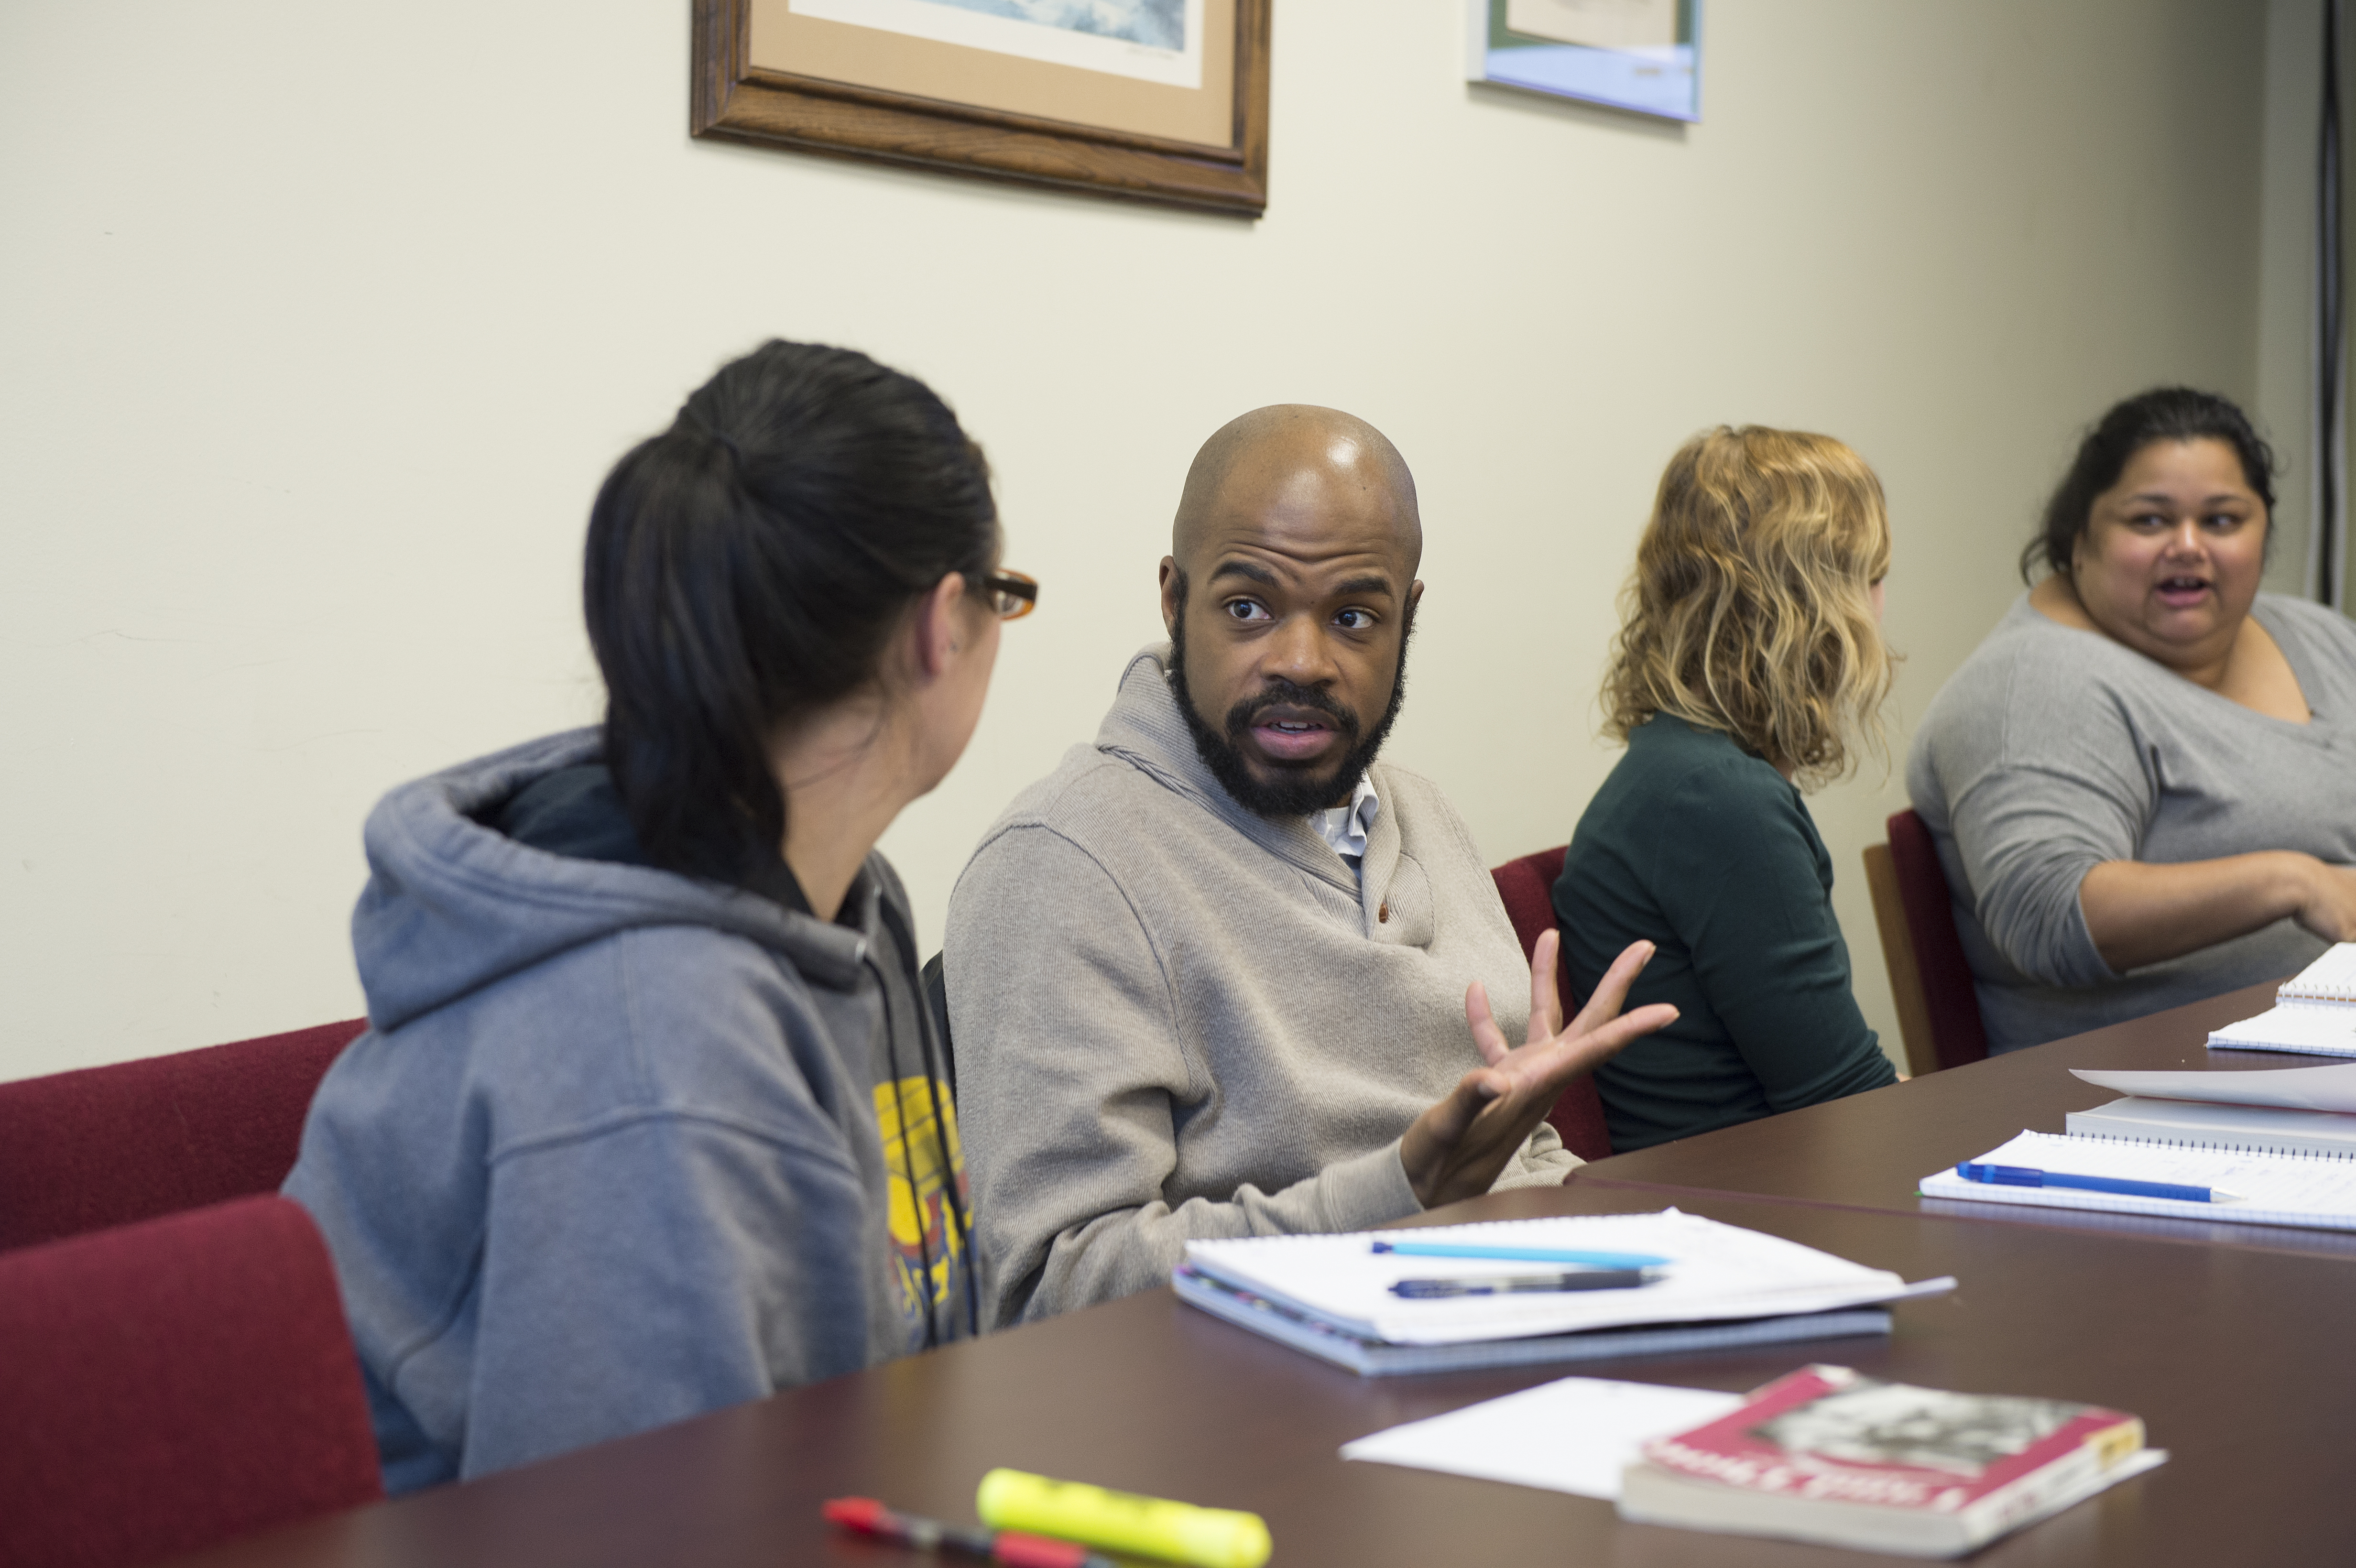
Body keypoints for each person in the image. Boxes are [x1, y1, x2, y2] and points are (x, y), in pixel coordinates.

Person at [283, 340, 1032, 1492]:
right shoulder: (648, 1043)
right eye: (1005, 598)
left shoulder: (843, 906)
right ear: (942, 624)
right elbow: (637, 1531)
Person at [942, 404, 1676, 1328]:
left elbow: (1519, 1168)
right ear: (1174, 600)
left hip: (1503, 1346)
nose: (1302, 660)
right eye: (1247, 608)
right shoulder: (1064, 867)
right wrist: (1398, 1192)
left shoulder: (1423, 815)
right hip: (1258, 1428)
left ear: (1407, 618)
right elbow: (1049, 1293)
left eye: (1354, 617)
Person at [1909, 387, 2356, 1052]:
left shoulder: (2320, 637)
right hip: (2146, 1106)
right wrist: (2293, 881)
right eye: (2149, 521)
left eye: (2223, 521)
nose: (2188, 546)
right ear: (2079, 539)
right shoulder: (2035, 684)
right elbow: (2047, 916)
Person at [1554, 427, 1901, 1153]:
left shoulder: (1681, 767)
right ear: (1813, 602)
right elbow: (1844, 1098)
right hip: (1754, 1203)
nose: (1880, 608)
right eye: (1872, 576)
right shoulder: (1718, 798)